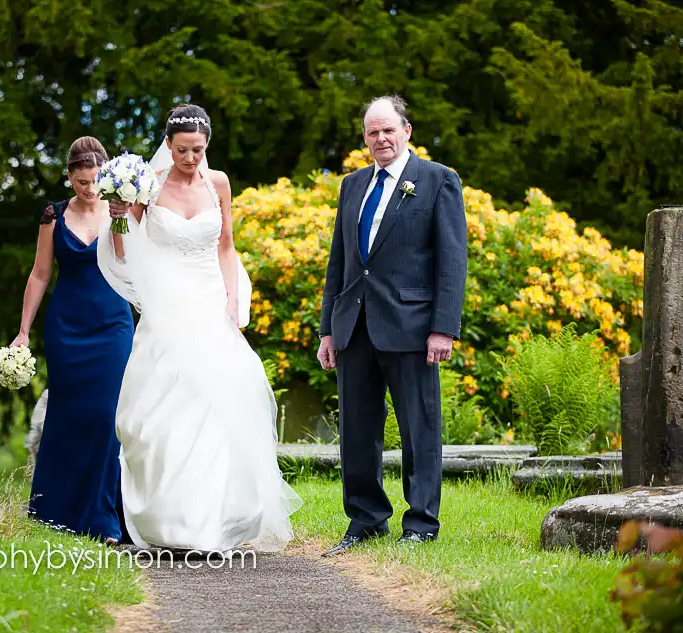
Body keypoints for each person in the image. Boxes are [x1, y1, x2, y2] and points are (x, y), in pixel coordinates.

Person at [97, 104, 302, 554]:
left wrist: (233, 300)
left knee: (221, 403)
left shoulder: (220, 183)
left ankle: (217, 520)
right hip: (168, 302)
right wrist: (116, 212)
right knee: (162, 410)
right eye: (183, 150)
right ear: (168, 146)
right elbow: (123, 249)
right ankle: (172, 520)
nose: (191, 158)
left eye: (199, 149)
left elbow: (226, 247)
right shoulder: (147, 188)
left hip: (211, 299)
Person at [317, 95, 467, 556]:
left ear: (406, 131)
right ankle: (365, 519)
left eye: (388, 130)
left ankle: (420, 522)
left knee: (419, 427)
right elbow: (339, 262)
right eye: (371, 133)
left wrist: (443, 328)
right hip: (354, 324)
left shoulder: (437, 180)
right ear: (364, 139)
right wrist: (327, 329)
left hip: (412, 325)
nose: (380, 139)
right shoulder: (352, 185)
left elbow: (451, 260)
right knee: (358, 430)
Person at [11, 136, 135, 545]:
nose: (88, 187)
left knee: (106, 417)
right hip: (67, 327)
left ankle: (104, 516)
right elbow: (39, 274)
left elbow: (125, 262)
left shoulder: (119, 207)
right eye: (81, 181)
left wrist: (118, 218)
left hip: (112, 323)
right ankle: (56, 510)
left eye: (95, 179)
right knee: (68, 416)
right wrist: (23, 331)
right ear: (69, 177)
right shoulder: (53, 215)